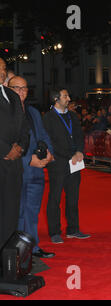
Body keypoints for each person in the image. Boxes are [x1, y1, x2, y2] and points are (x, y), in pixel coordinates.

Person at [9, 76, 55, 258]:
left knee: (32, 213)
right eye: (17, 88)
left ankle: (32, 248)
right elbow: (7, 145)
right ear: (8, 89)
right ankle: (18, 251)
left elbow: (43, 135)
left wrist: (49, 154)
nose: (21, 91)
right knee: (18, 213)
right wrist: (29, 160)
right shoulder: (6, 113)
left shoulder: (34, 112)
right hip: (19, 171)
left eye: (25, 88)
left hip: (37, 172)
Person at [43, 88, 90, 244]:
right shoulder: (48, 118)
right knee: (55, 198)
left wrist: (79, 151)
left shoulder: (72, 116)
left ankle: (73, 229)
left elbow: (79, 136)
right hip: (58, 163)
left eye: (68, 95)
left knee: (73, 198)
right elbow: (50, 142)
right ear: (56, 99)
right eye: (65, 96)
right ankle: (55, 231)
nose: (69, 98)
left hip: (74, 162)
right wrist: (70, 155)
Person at [0, 57, 30, 249]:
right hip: (2, 158)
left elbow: (24, 128)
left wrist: (20, 147)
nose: (2, 71)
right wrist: (5, 150)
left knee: (10, 214)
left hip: (13, 166)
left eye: (3, 68)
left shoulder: (12, 96)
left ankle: (6, 260)